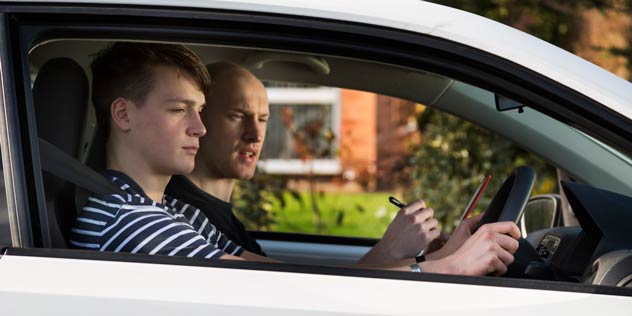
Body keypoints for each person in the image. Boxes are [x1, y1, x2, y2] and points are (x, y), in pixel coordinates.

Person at [67, 42, 440, 269]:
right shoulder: (131, 219)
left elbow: (281, 274)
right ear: (123, 114)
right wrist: (440, 267)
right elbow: (297, 294)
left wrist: (435, 260)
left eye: (199, 110)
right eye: (179, 110)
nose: (199, 127)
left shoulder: (174, 212)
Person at [166, 62, 522, 275]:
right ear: (199, 120)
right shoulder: (183, 217)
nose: (255, 134)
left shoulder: (220, 217)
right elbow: (307, 296)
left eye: (263, 119)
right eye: (237, 116)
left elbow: (291, 286)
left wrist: (442, 256)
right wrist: (395, 251)